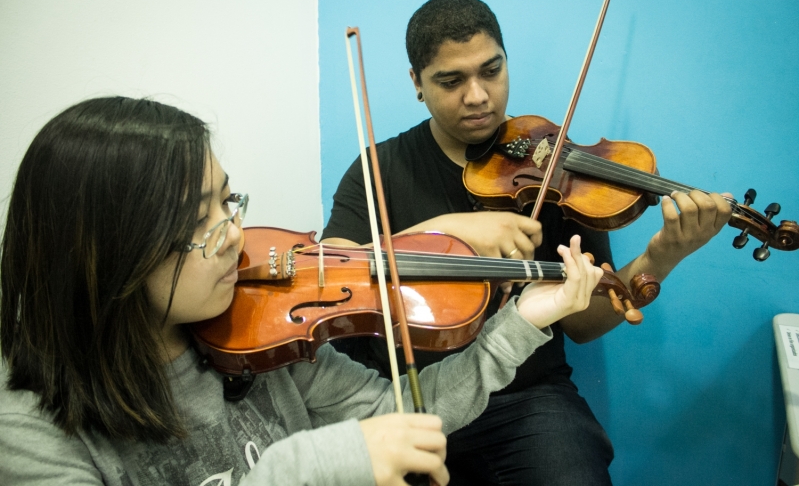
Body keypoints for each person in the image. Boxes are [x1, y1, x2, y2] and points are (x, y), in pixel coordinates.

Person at [0, 96, 605, 486]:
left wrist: (523, 320)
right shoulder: (28, 431)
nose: (237, 239)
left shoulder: (252, 334)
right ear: (104, 259)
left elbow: (404, 415)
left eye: (228, 202)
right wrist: (306, 467)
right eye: (196, 224)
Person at [321, 0, 733, 485]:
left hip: (526, 399)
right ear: (417, 83)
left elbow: (582, 322)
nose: (477, 96)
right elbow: (328, 273)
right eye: (451, 81)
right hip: (409, 399)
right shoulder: (378, 169)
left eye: (491, 71)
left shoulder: (556, 168)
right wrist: (449, 229)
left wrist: (660, 257)